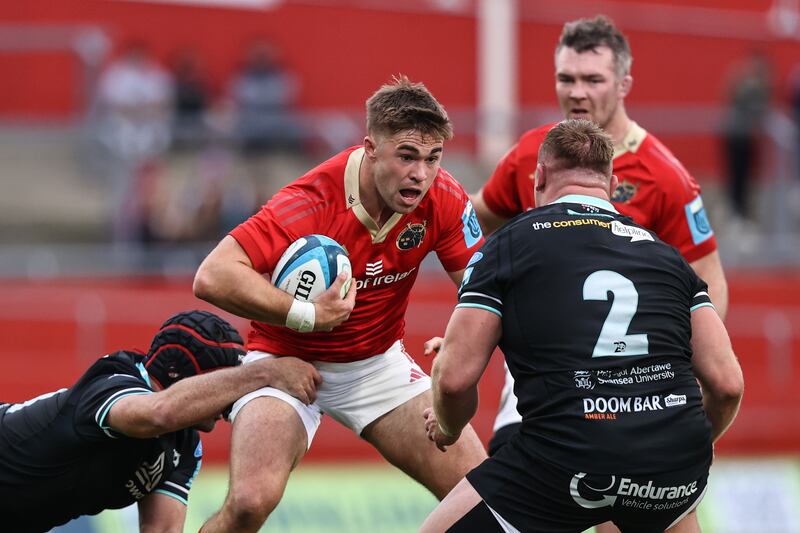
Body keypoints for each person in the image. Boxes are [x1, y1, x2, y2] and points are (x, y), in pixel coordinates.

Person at [193, 75, 488, 532]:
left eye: (433, 159)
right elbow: (212, 275)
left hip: (376, 366)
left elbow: (484, 288)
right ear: (370, 148)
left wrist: (461, 340)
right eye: (406, 157)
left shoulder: (444, 197)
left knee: (483, 498)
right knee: (251, 502)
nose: (421, 174)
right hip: (282, 359)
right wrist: (307, 315)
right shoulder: (310, 202)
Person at [421, 119, 744, 532]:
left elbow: (453, 379)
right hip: (674, 467)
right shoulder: (668, 257)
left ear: (538, 179)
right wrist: (682, 449)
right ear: (610, 184)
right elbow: (728, 383)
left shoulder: (509, 245)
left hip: (566, 459)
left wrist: (447, 427)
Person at [469, 15, 729, 491]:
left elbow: (708, 282)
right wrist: (477, 316)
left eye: (593, 80)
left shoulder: (664, 175)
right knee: (513, 493)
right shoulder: (535, 153)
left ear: (624, 83)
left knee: (619, 508)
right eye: (566, 79)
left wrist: (685, 370)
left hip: (628, 386)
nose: (577, 93)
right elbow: (478, 220)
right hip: (541, 378)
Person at [0, 310, 320, 533]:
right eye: (227, 383)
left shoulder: (185, 446)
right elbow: (157, 413)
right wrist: (263, 373)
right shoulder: (115, 380)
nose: (229, 405)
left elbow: (162, 529)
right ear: (190, 379)